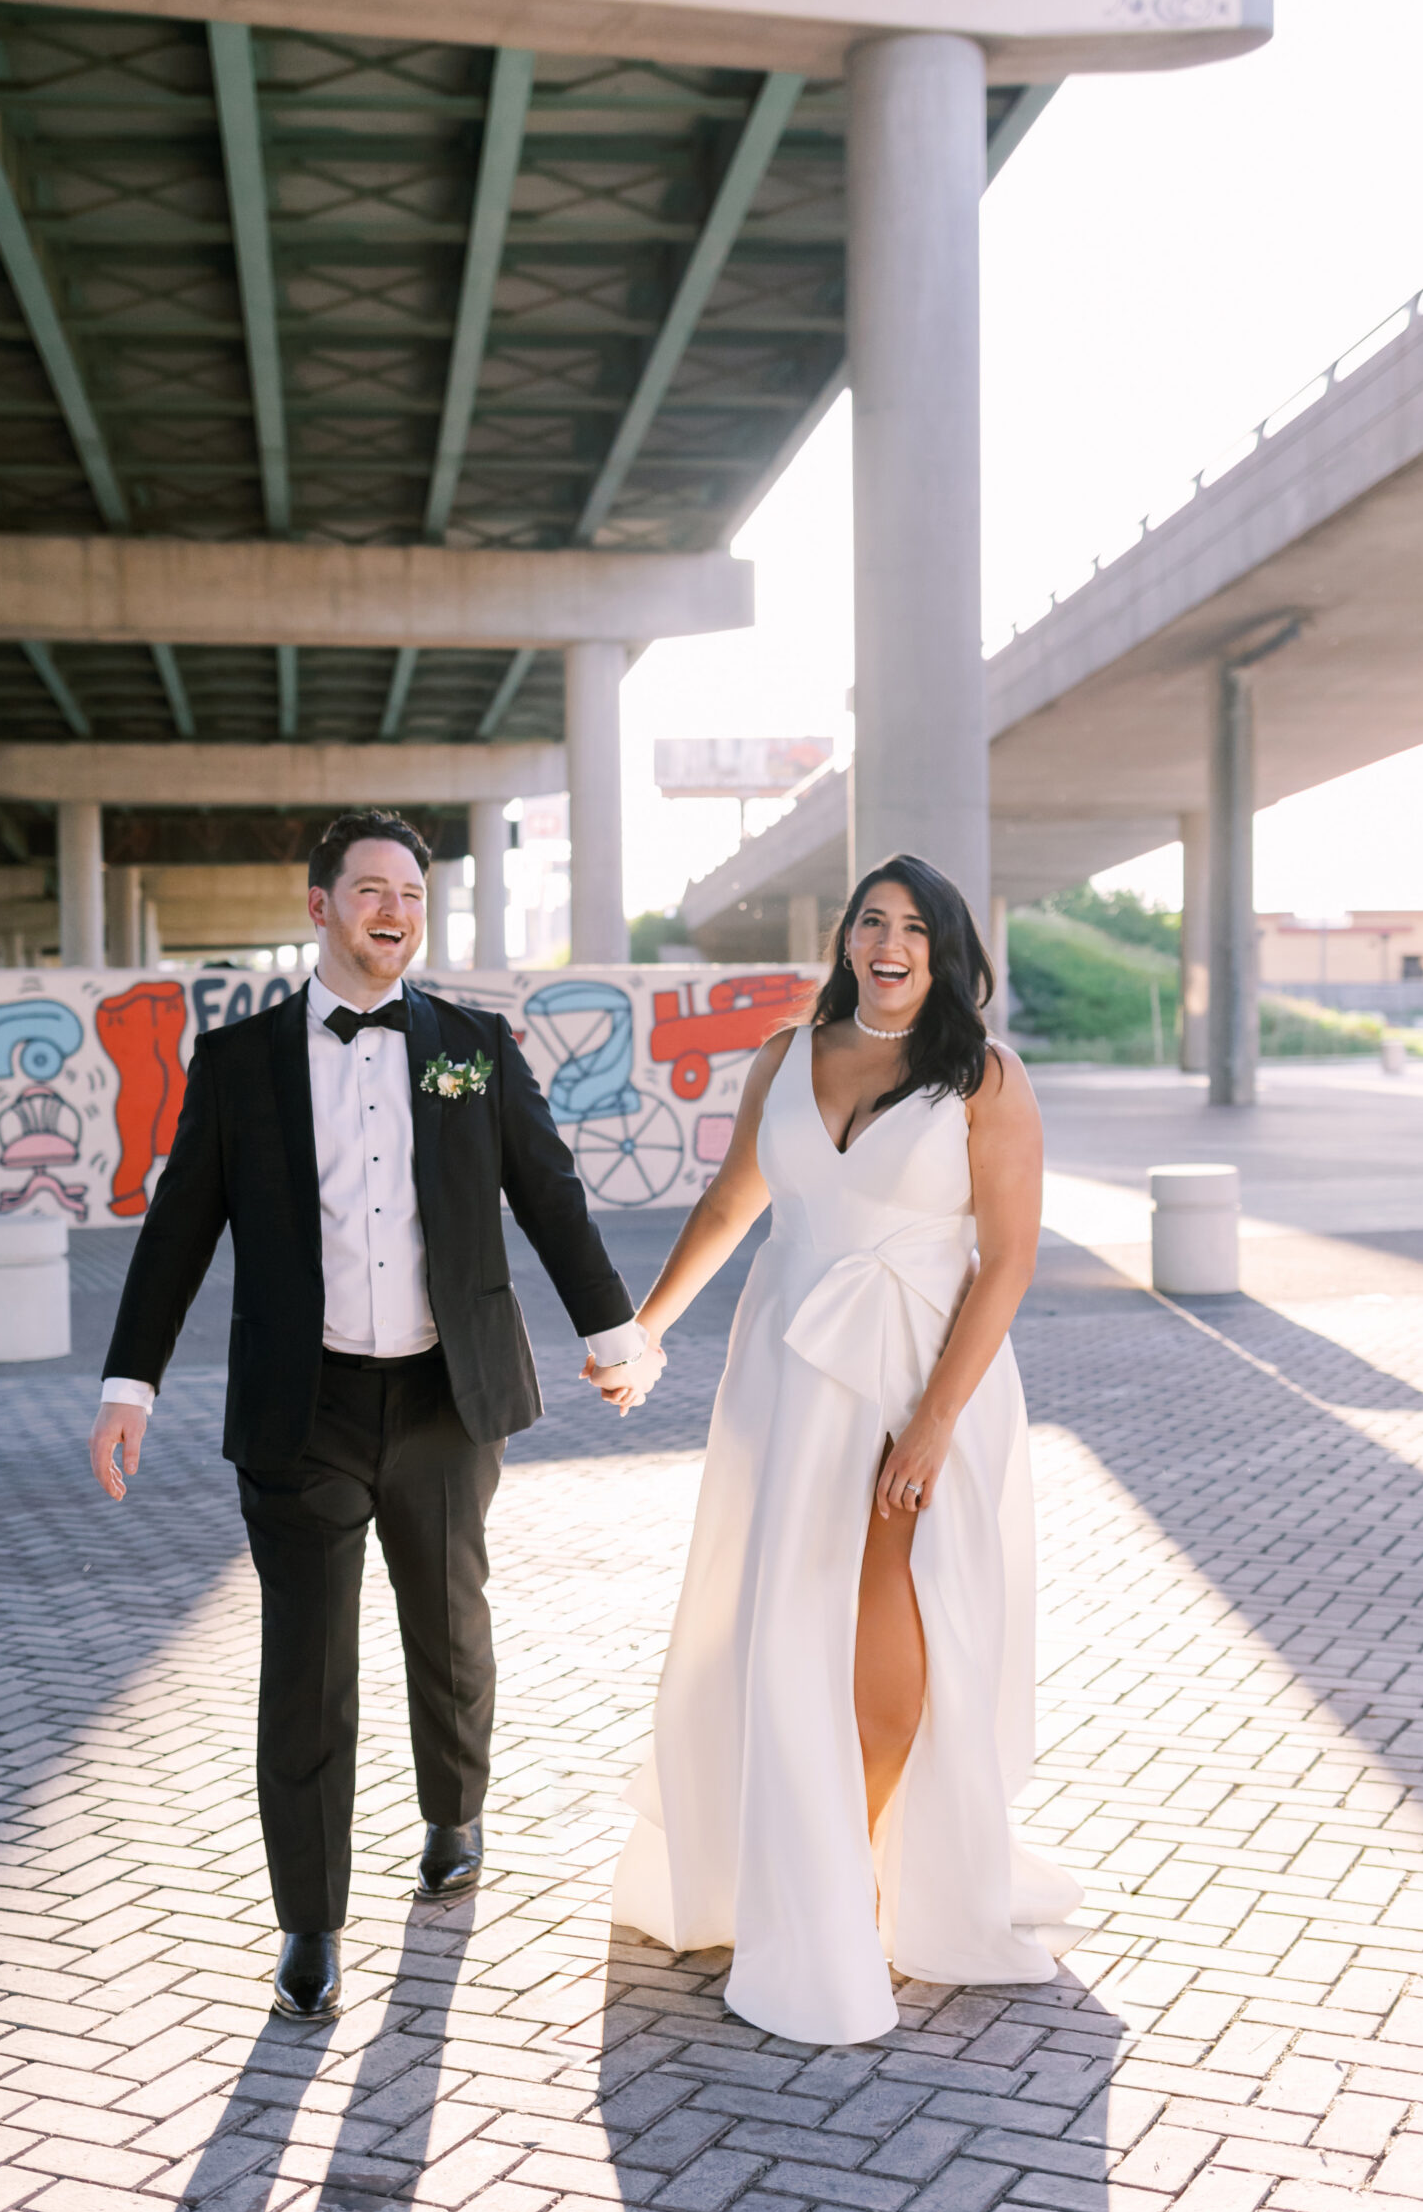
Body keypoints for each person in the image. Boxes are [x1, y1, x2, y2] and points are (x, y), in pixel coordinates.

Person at [89, 809, 663, 2022]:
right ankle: (310, 1919)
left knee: (449, 1625)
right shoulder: (241, 1065)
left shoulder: (472, 1045)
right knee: (306, 1666)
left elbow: (549, 1196)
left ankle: (456, 1812)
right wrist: (128, 1382)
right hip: (303, 1407)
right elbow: (179, 1231)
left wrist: (613, 1334)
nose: (394, 908)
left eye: (411, 889)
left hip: (450, 1399)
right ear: (320, 907)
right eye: (369, 889)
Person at [608, 853, 1079, 2045]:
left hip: (916, 1376)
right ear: (846, 939)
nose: (891, 941)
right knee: (771, 1627)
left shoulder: (986, 1078)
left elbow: (1009, 1260)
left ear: (950, 948)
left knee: (883, 1621)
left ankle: (858, 1870)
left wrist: (931, 1420)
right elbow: (730, 1205)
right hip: (782, 1377)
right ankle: (779, 1872)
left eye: (917, 926)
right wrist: (646, 1330)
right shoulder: (786, 1054)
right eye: (873, 920)